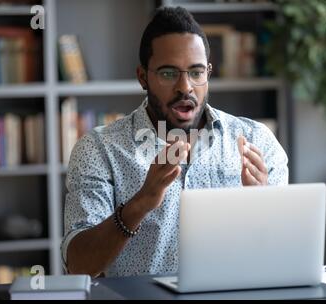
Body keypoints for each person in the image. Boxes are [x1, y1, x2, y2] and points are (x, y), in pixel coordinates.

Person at [62, 6, 288, 277]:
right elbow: (79, 265)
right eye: (169, 74)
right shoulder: (99, 150)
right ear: (143, 77)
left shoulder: (257, 141)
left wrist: (262, 211)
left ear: (209, 73)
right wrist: (141, 202)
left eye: (196, 72)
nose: (185, 87)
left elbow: (284, 259)